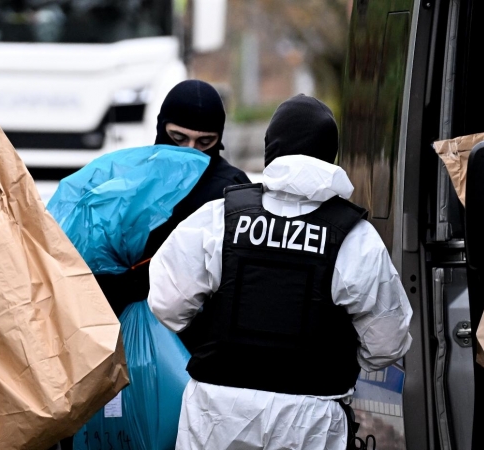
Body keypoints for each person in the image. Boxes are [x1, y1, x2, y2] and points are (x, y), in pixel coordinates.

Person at [147, 94, 413, 449]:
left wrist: (212, 340)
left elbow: (166, 304)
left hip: (217, 414)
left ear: (270, 149)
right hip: (312, 418)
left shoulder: (219, 218)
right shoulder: (355, 237)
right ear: (329, 154)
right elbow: (387, 344)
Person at [94, 80, 251, 321]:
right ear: (161, 129)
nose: (190, 151)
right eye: (178, 137)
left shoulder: (231, 188)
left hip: (197, 332)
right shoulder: (133, 178)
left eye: (204, 142)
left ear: (218, 140)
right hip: (124, 320)